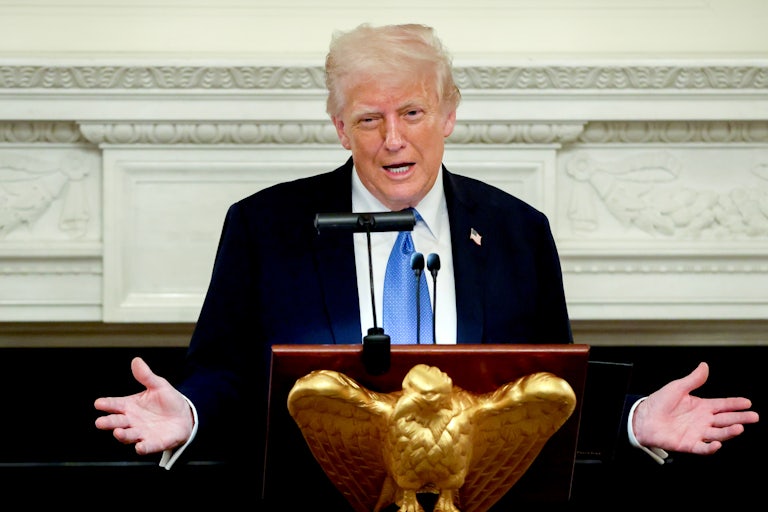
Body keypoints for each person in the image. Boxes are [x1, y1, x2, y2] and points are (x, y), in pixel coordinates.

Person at [94, 23, 759, 507]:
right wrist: (187, 409)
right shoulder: (266, 227)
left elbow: (547, 382)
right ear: (337, 127)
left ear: (447, 114)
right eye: (369, 118)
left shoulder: (517, 232)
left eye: (412, 112)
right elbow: (226, 371)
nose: (392, 138)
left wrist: (635, 420)